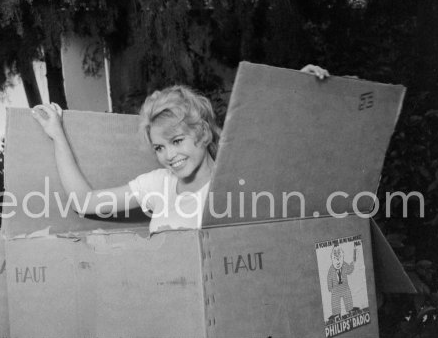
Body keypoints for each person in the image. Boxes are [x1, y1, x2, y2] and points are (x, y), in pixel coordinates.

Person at [32, 64, 330, 233]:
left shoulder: (232, 182)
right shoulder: (157, 185)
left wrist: (298, 89)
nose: (169, 156)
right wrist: (58, 135)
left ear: (201, 133)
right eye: (159, 147)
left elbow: (280, 148)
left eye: (176, 141)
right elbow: (86, 203)